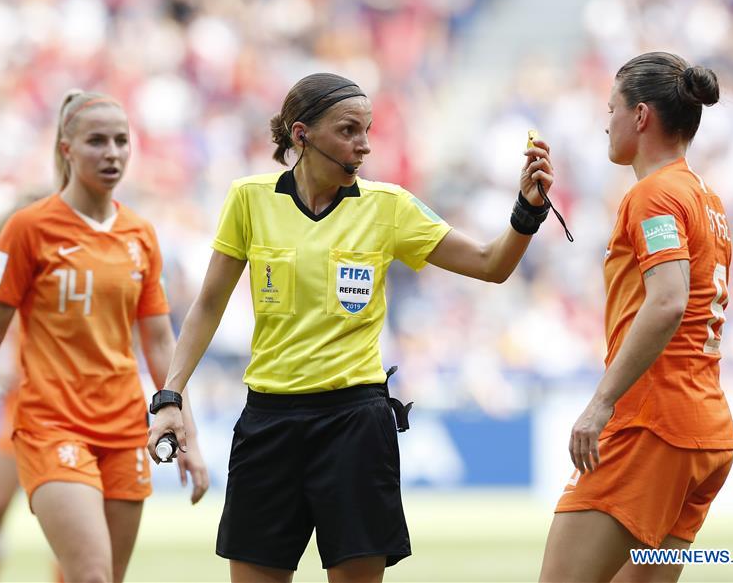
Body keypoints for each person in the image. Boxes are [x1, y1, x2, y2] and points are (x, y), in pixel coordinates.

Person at [146, 72, 556, 583]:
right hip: (267, 423)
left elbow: (490, 264)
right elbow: (208, 303)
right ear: (301, 134)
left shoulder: (390, 207)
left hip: (355, 425)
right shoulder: (249, 198)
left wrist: (527, 210)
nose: (364, 146)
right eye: (348, 131)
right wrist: (170, 396)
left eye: (367, 130)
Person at [0, 90, 210, 583]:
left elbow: (161, 343)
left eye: (122, 140)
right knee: (91, 575)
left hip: (124, 428)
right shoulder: (27, 229)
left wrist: (189, 434)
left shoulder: (140, 234)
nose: (112, 152)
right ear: (66, 149)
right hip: (50, 426)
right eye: (97, 141)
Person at [539, 52, 733, 583]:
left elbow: (668, 300)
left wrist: (601, 403)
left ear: (641, 116)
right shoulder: (706, 198)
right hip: (705, 432)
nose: (607, 121)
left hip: (653, 424)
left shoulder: (654, 194)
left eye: (612, 108)